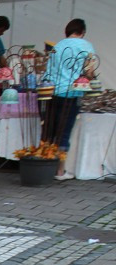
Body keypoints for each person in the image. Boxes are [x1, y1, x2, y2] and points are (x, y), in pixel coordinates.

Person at [45, 19, 97, 180]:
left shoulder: (57, 46)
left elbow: (49, 71)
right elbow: (89, 72)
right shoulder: (86, 46)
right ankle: (60, 171)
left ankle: (46, 164)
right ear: (82, 32)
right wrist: (92, 78)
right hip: (73, 93)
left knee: (51, 130)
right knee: (65, 130)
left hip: (53, 92)